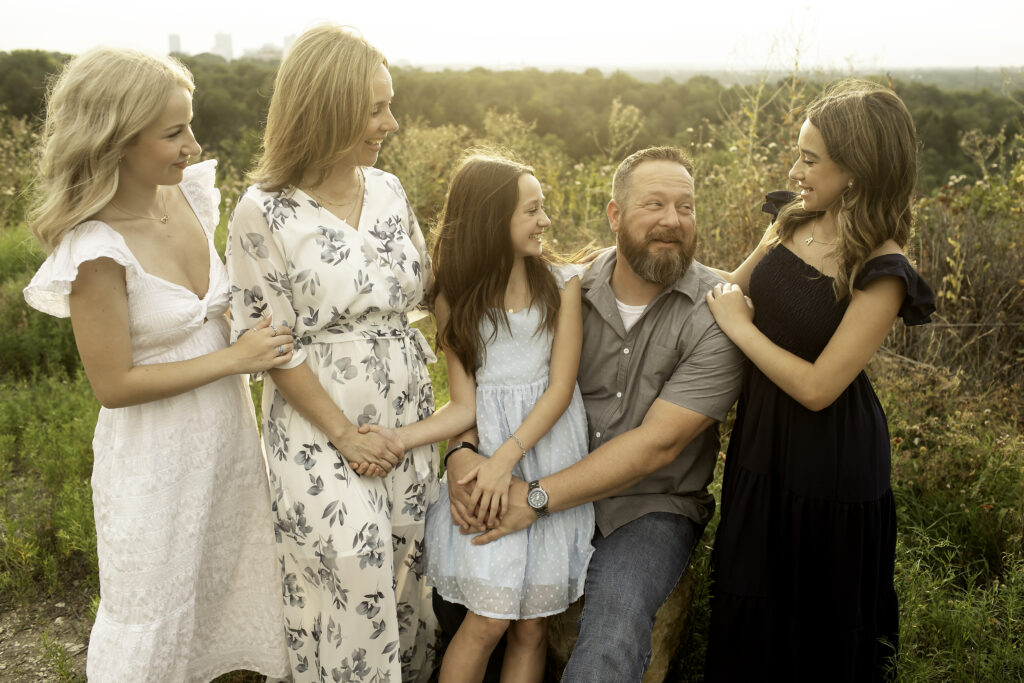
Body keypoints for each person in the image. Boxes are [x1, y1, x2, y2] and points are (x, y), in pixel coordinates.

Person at [22, 48, 291, 681]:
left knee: (222, 595)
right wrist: (234, 359)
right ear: (115, 138)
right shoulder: (95, 250)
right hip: (154, 462)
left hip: (226, 442)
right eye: (173, 133)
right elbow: (113, 386)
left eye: (189, 125)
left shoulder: (191, 198)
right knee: (153, 622)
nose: (192, 146)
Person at [443, 146, 746, 682]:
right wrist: (461, 452)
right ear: (614, 215)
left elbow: (659, 445)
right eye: (654, 203)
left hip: (649, 505)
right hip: (538, 478)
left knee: (611, 629)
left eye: (686, 206)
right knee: (475, 608)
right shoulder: (563, 291)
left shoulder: (718, 314)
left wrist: (534, 497)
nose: (672, 220)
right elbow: (485, 383)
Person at [703, 79, 936, 680]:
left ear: (854, 170)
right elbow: (730, 286)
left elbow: (818, 388)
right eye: (798, 155)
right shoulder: (794, 218)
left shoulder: (883, 268)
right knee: (751, 584)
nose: (795, 169)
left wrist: (739, 328)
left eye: (809, 159)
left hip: (830, 457)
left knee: (814, 614)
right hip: (764, 439)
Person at [226, 25, 438, 683]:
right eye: (376, 107)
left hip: (405, 418)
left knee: (406, 572)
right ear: (328, 106)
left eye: (389, 103)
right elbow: (271, 342)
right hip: (321, 427)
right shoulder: (262, 210)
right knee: (352, 562)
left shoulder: (391, 191)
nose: (391, 122)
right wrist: (345, 433)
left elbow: (427, 291)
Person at [365, 153, 594, 682]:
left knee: (532, 627)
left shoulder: (562, 286)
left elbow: (560, 390)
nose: (545, 221)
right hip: (486, 468)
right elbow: (464, 406)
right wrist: (398, 438)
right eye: (531, 211)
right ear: (495, 222)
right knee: (487, 620)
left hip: (546, 457)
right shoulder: (455, 299)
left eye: (543, 209)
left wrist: (505, 461)